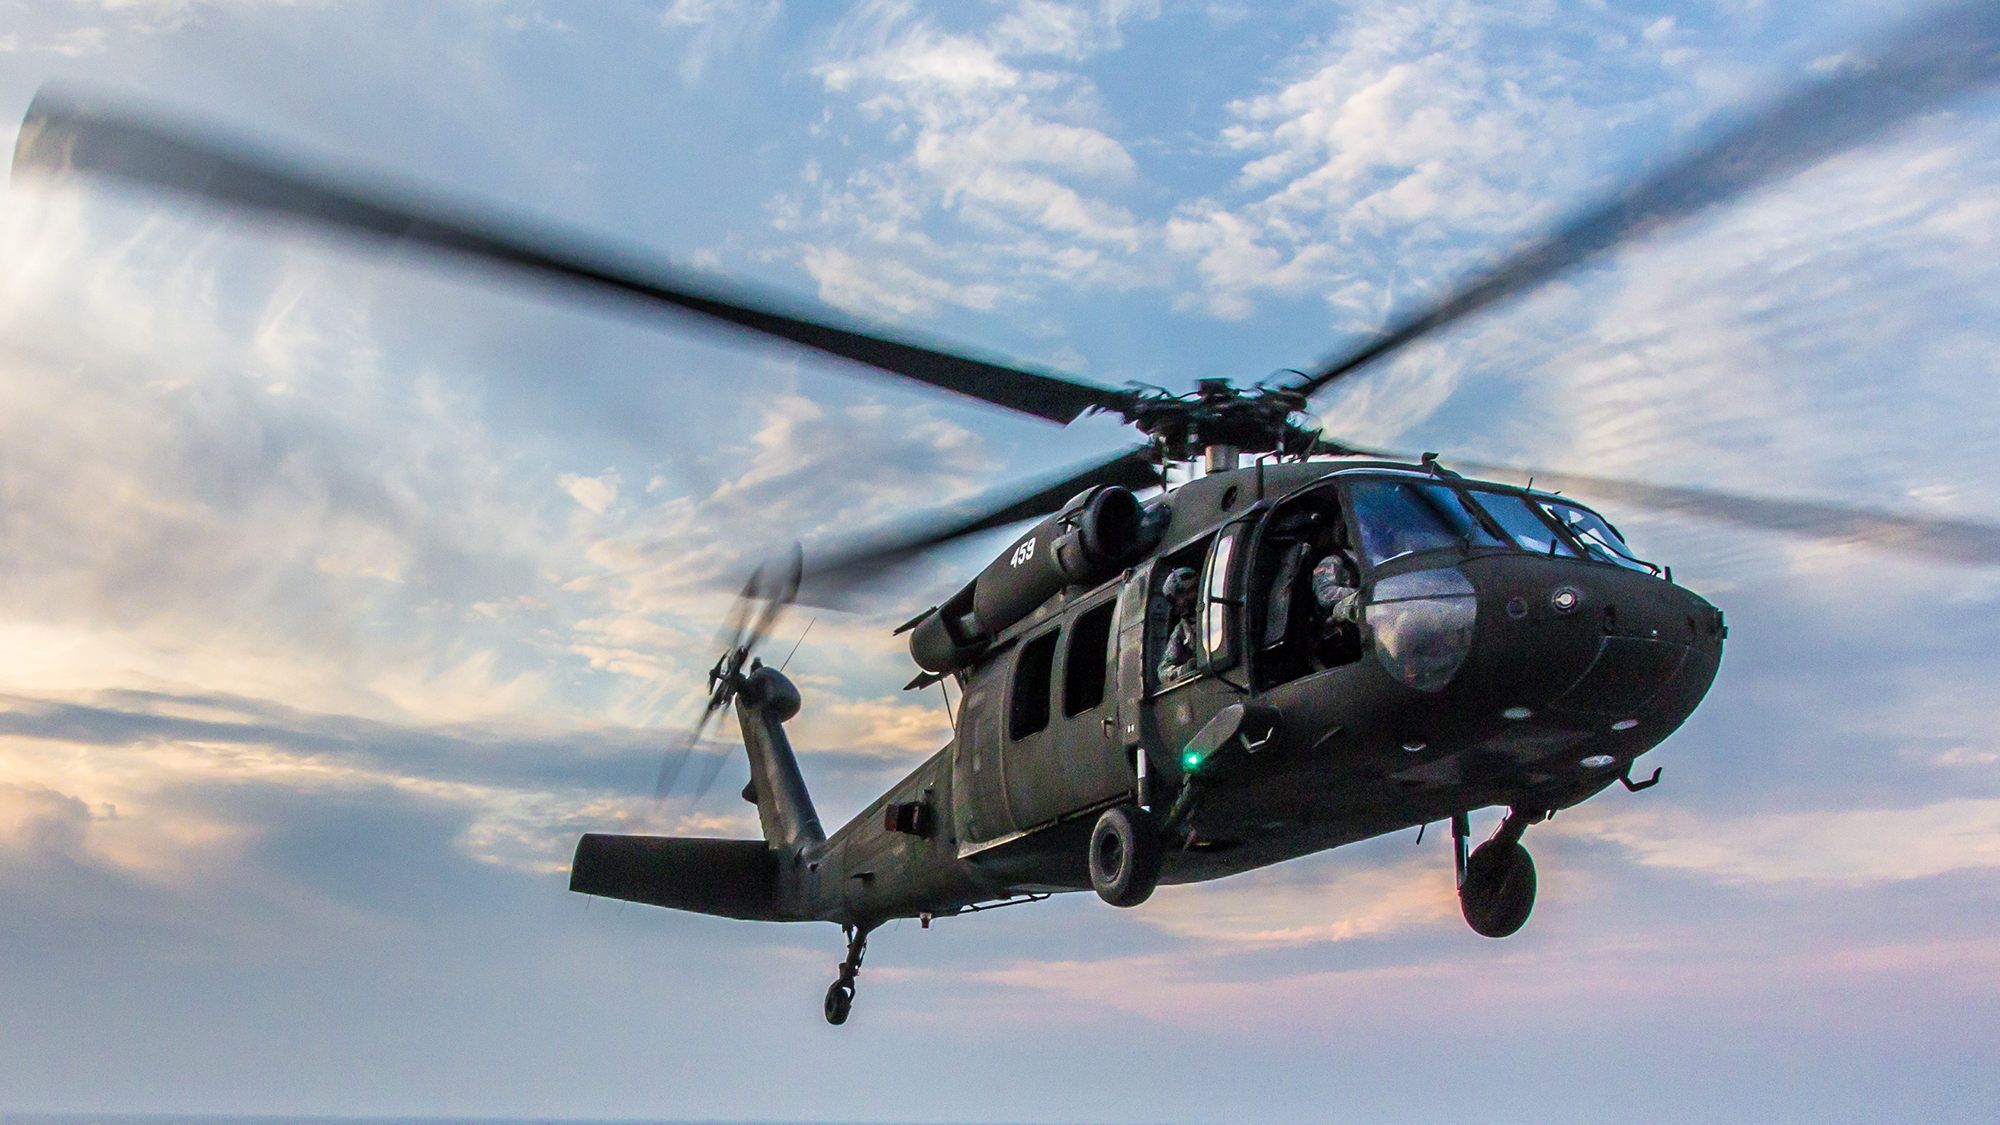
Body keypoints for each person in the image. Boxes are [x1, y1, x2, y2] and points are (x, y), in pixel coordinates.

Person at [1153, 566, 1202, 684]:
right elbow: (1164, 671)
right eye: (1188, 592)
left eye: (1194, 590)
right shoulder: (1182, 630)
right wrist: (1184, 669)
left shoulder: (1219, 608)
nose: (1193, 595)